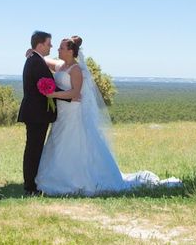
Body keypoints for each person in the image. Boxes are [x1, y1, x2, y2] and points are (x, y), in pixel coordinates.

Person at [34, 36, 182, 196]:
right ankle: (54, 177)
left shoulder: (76, 70)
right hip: (62, 112)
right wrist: (34, 53)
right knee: (57, 141)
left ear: (70, 51)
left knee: (73, 141)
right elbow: (45, 60)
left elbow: (76, 92)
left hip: (73, 112)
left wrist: (53, 93)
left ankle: (77, 179)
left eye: (61, 48)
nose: (58, 50)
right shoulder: (61, 65)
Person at [16, 30, 77, 196]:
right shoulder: (35, 62)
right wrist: (72, 97)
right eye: (49, 43)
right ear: (40, 44)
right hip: (36, 114)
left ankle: (31, 184)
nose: (51, 46)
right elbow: (49, 87)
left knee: (34, 149)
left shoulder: (35, 59)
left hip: (36, 113)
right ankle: (30, 187)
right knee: (33, 150)